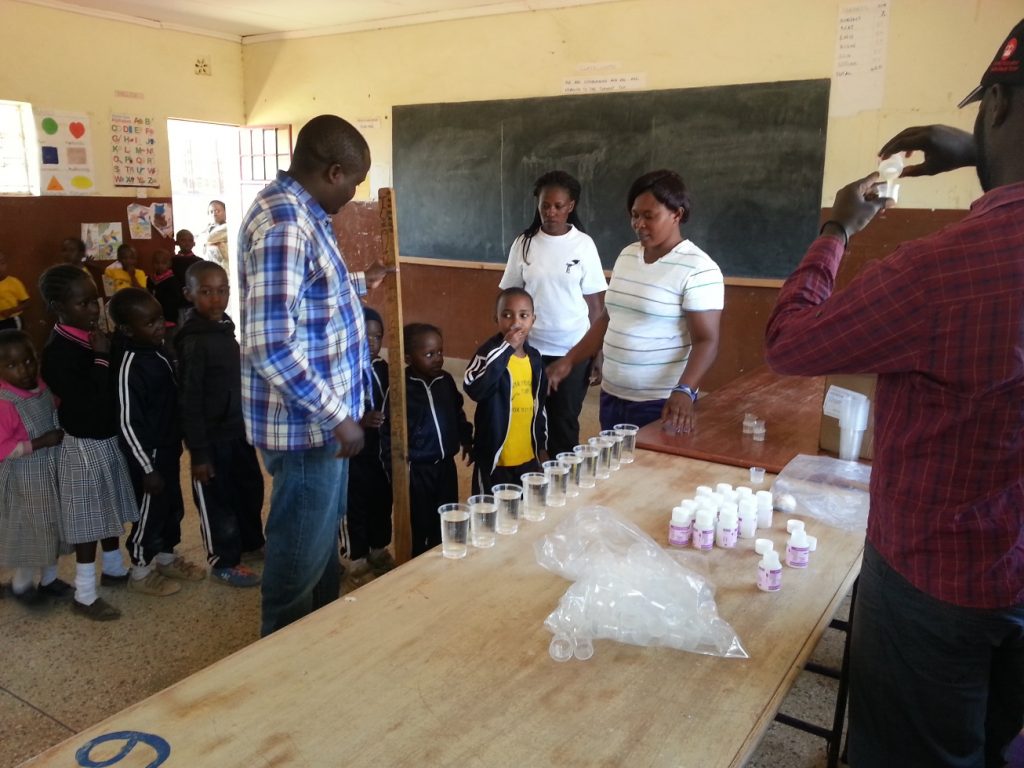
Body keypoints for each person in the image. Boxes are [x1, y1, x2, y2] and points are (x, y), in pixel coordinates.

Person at [763, 19, 1024, 767]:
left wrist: (837, 228)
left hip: (936, 581)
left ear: (998, 106)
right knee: (997, 740)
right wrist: (981, 152)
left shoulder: (942, 272)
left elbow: (790, 343)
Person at [238, 114, 389, 636]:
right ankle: (279, 667)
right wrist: (336, 417)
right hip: (307, 429)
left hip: (323, 423)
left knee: (323, 551)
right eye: (354, 182)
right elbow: (269, 343)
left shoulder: (301, 210)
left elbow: (307, 292)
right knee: (298, 561)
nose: (353, 194)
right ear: (333, 171)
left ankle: (318, 648)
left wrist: (357, 283)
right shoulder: (285, 223)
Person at [547, 170, 724, 433]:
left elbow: (706, 340)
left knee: (653, 473)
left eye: (649, 216)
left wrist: (685, 389)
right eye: (635, 215)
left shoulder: (698, 269)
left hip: (660, 402)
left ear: (677, 214)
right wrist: (569, 360)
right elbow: (608, 318)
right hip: (613, 395)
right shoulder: (627, 255)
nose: (639, 223)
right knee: (614, 471)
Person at [38, 265, 137, 621]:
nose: (94, 309)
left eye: (95, 300)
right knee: (88, 521)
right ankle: (84, 592)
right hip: (81, 443)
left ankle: (113, 569)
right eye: (83, 304)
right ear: (58, 307)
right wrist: (101, 356)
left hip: (104, 436)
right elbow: (86, 399)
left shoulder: (90, 334)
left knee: (108, 508)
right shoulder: (58, 351)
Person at [499, 171, 607, 456]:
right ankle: (530, 478)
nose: (551, 212)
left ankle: (561, 482)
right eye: (545, 205)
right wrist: (508, 342)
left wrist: (597, 351)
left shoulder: (583, 245)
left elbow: (596, 305)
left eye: (558, 206)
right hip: (529, 349)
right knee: (528, 417)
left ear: (570, 206)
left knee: (565, 421)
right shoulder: (524, 243)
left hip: (573, 349)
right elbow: (508, 298)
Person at [174, 262, 264, 588]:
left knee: (249, 490)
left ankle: (252, 543)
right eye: (206, 292)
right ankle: (224, 561)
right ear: (189, 294)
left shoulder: (225, 328)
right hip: (209, 441)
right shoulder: (194, 341)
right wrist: (198, 453)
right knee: (218, 502)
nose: (216, 299)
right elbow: (189, 399)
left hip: (237, 431)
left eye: (222, 290)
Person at [109, 288, 204, 597]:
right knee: (149, 514)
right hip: (147, 457)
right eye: (148, 323)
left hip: (167, 449)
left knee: (171, 507)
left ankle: (166, 557)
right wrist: (146, 468)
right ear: (126, 329)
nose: (159, 326)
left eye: (159, 319)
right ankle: (140, 571)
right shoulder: (129, 366)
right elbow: (126, 423)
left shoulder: (160, 351)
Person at [0, 330, 68, 605]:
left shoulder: (41, 386)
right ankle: (21, 586)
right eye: (12, 365)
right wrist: (39, 442)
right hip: (24, 480)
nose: (24, 370)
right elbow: (3, 447)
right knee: (33, 534)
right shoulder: (5, 403)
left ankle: (49, 579)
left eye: (29, 361)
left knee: (54, 529)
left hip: (49, 473)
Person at [464, 287, 549, 495]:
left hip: (527, 456)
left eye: (523, 315)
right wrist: (506, 349)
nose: (515, 322)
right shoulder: (487, 354)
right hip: (494, 457)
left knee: (520, 512)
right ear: (496, 318)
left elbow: (539, 406)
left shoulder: (535, 359)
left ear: (533, 320)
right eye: (507, 315)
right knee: (489, 511)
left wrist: (542, 447)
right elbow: (475, 388)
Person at [404, 322, 472, 556]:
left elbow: (457, 411)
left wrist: (466, 438)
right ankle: (416, 562)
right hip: (417, 470)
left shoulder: (446, 381)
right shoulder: (402, 388)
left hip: (446, 466)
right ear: (408, 358)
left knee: (446, 515)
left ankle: (441, 554)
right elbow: (389, 432)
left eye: (440, 352)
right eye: (429, 354)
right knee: (419, 519)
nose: (438, 359)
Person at [343, 306, 394, 588]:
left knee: (382, 499)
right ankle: (357, 558)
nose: (372, 342)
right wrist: (361, 422)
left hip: (380, 453)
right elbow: (335, 413)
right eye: (365, 336)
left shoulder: (385, 369)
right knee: (355, 505)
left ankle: (378, 548)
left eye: (377, 336)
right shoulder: (345, 370)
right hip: (354, 454)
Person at [0, 251, 30, 331]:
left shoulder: (13, 282)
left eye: (1, 263)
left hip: (11, 320)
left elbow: (27, 303)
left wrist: (11, 310)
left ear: (5, 265)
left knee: (13, 342)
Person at [203, 200, 229, 270]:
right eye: (211, 212)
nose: (214, 214)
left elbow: (209, 239)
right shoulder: (207, 230)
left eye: (217, 211)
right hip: (210, 268)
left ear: (226, 212)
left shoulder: (228, 228)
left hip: (224, 268)